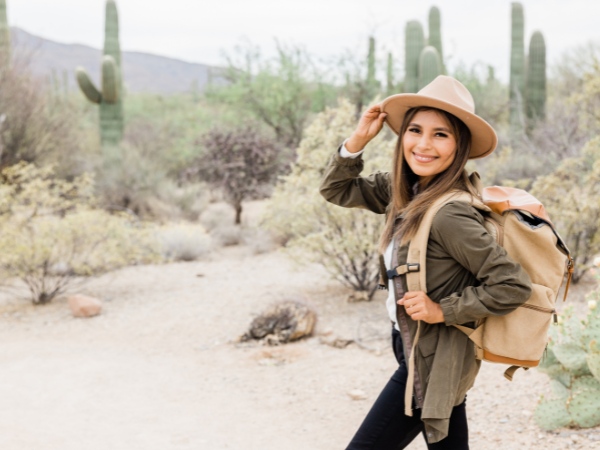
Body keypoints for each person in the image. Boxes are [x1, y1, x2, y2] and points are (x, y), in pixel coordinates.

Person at [319, 75, 532, 449]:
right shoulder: (405, 190)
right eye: (414, 130)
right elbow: (336, 189)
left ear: (460, 147)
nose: (423, 144)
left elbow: (512, 285)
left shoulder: (449, 214)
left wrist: (441, 310)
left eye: (440, 134)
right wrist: (358, 141)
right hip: (413, 343)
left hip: (433, 353)